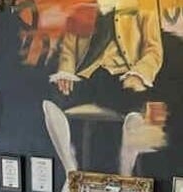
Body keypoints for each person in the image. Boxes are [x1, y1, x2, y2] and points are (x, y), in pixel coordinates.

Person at [42, 0, 165, 180]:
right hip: (89, 75)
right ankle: (71, 174)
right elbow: (69, 47)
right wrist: (66, 71)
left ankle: (126, 177)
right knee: (50, 103)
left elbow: (154, 50)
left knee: (135, 117)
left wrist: (139, 74)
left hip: (124, 76)